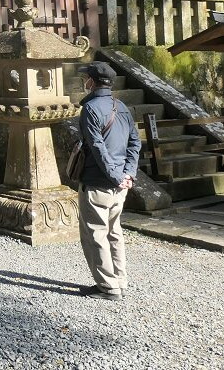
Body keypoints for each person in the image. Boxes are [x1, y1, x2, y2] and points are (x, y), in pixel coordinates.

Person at [75, 61, 141, 301]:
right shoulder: (122, 106)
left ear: (92, 82)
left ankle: (107, 286)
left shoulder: (90, 109)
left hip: (97, 182)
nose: (84, 83)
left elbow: (97, 148)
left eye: (86, 79)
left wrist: (115, 176)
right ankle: (119, 280)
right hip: (120, 184)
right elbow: (135, 142)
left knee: (95, 234)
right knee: (114, 232)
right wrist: (128, 174)